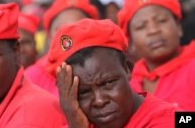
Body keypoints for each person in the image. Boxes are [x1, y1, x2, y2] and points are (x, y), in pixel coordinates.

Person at [46, 18, 179, 128]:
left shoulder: (173, 120)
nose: (100, 101)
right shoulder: (77, 123)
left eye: (108, 83)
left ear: (127, 68)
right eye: (83, 92)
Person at [118, 0, 195, 110]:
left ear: (179, 27)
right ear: (131, 43)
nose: (153, 30)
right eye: (141, 27)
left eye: (161, 21)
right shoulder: (126, 82)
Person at [24, 0, 99, 96]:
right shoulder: (31, 77)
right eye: (61, 29)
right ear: (49, 36)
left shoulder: (105, 67)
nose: (70, 36)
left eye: (79, 28)